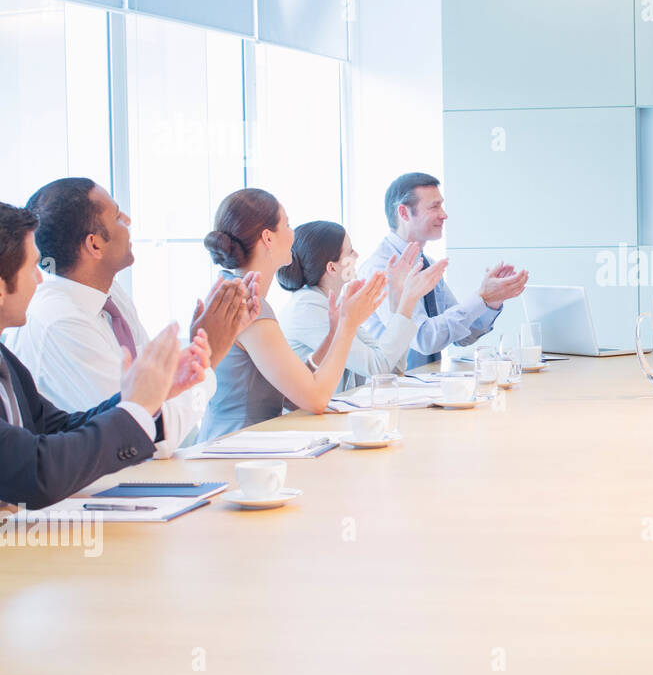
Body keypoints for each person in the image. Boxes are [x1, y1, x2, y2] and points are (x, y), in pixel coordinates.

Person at [9, 178, 255, 456]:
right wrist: (207, 357)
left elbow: (154, 384)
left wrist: (195, 353)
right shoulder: (59, 320)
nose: (127, 219)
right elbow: (143, 432)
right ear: (95, 245)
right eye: (117, 216)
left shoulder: (109, 292)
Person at [0, 202, 210, 509]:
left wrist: (147, 398)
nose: (41, 279)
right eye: (32, 267)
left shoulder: (4, 357)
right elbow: (35, 471)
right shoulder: (59, 318)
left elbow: (58, 428)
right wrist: (135, 408)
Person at [198, 189, 387, 442]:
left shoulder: (233, 291)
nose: (293, 233)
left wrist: (334, 334)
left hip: (243, 445)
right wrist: (348, 324)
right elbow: (316, 399)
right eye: (287, 224)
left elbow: (292, 393)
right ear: (268, 238)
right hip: (237, 451)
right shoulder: (248, 304)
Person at [359, 172, 527, 369]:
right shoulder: (382, 269)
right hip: (390, 389)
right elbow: (424, 340)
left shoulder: (426, 263)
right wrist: (481, 297)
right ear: (404, 213)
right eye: (434, 207)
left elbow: (464, 334)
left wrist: (491, 300)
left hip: (423, 384)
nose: (444, 214)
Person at [279, 221, 442, 393]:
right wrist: (409, 299)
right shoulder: (307, 307)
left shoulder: (333, 302)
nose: (356, 255)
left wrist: (397, 295)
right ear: (332, 267)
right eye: (350, 251)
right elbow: (379, 368)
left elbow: (391, 368)